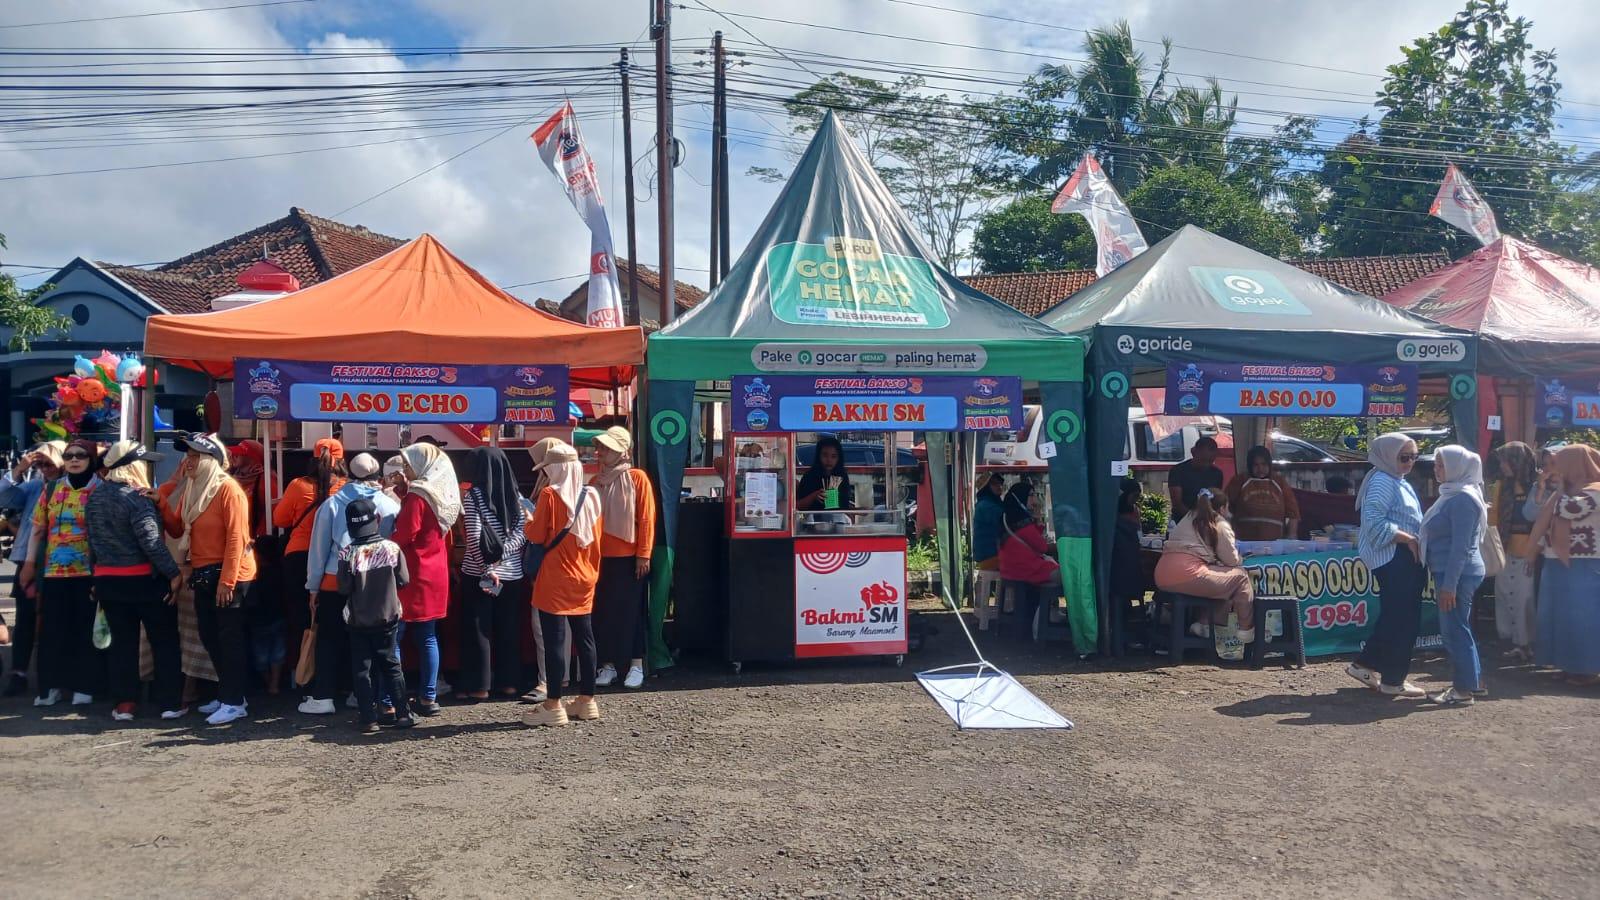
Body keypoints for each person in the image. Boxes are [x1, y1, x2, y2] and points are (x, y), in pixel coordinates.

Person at [159, 433, 258, 725]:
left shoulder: (228, 489)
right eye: (187, 456)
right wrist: (162, 504)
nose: (187, 462)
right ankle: (229, 693)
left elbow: (237, 538)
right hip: (204, 571)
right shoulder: (192, 488)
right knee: (210, 636)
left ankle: (234, 700)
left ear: (210, 460)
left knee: (229, 638)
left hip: (231, 573)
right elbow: (177, 530)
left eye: (193, 456)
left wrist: (227, 582)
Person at [85, 441, 185, 721]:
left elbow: (91, 541)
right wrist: (174, 573)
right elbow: (152, 542)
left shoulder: (94, 497)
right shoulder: (137, 498)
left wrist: (95, 573)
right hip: (144, 580)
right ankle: (169, 703)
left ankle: (125, 704)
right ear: (133, 466)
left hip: (108, 579)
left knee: (123, 644)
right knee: (164, 642)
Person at [299, 453, 399, 715]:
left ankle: (323, 696)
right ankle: (363, 695)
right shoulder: (389, 505)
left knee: (329, 639)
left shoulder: (332, 504)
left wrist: (313, 586)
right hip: (374, 583)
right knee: (371, 641)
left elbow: (318, 550)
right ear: (377, 475)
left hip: (334, 580)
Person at [522, 441, 603, 727]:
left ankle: (553, 703)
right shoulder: (591, 494)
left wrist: (527, 519)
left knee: (556, 640)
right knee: (585, 637)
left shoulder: (550, 495)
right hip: (585, 573)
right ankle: (587, 700)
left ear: (555, 468)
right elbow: (596, 537)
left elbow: (535, 535)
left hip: (556, 576)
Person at [19, 438, 102, 707]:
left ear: (91, 460)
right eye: (69, 456)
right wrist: (30, 564)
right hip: (53, 573)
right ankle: (50, 687)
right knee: (52, 631)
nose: (74, 460)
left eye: (81, 455)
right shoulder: (52, 488)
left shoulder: (100, 490)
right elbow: (38, 529)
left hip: (87, 573)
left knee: (83, 630)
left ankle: (84, 685)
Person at [1347, 434, 1427, 698]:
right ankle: (1393, 679)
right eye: (1404, 457)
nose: (1410, 462)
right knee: (1402, 620)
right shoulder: (1383, 481)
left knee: (1397, 617)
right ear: (1389, 456)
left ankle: (1366, 664)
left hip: (1400, 554)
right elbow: (1373, 523)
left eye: (1414, 457)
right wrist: (1408, 539)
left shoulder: (1396, 479)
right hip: (1394, 555)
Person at [388, 442, 461, 716]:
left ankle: (390, 698)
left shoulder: (418, 495)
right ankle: (429, 697)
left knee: (395, 636)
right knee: (428, 636)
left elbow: (405, 533)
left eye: (407, 465)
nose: (405, 470)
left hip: (412, 572)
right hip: (435, 570)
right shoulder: (441, 492)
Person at [455, 447, 530, 703]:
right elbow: (523, 534)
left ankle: (480, 686)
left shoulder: (473, 495)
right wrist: (504, 555)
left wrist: (489, 568)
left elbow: (474, 536)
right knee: (509, 628)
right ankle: (509, 683)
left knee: (478, 630)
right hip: (513, 574)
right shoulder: (516, 495)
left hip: (479, 573)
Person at [338, 497, 416, 734]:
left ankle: (368, 718)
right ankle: (402, 714)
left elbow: (343, 588)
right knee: (391, 665)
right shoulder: (391, 548)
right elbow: (404, 580)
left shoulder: (347, 553)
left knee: (362, 669)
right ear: (377, 520)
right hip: (388, 617)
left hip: (358, 620)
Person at [272, 438, 345, 690]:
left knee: (299, 619)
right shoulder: (346, 489)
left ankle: (300, 677)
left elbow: (279, 519)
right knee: (333, 620)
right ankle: (334, 679)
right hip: (333, 560)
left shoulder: (297, 485)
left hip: (299, 556)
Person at [590, 426, 656, 690]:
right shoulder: (595, 481)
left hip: (629, 557)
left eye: (606, 448)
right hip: (598, 557)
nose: (601, 452)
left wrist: (643, 554)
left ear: (621, 450)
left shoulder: (637, 478)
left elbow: (646, 518)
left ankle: (636, 664)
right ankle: (608, 665)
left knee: (631, 612)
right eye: (601, 447)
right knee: (602, 613)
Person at [1527, 444, 1600, 687]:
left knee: (1582, 617)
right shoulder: (1565, 492)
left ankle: (1587, 669)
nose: (1555, 469)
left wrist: (1557, 491)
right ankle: (1568, 665)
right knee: (1559, 615)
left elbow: (1569, 510)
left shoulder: (1594, 491)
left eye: (1560, 464)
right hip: (1558, 561)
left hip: (1585, 565)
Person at [1420, 445, 1488, 706]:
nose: (1436, 470)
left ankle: (1463, 690)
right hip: (1454, 572)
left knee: (1454, 631)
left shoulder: (1462, 499)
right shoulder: (1453, 494)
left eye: (1441, 464)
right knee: (1459, 628)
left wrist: (1449, 585)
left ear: (1457, 467)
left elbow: (1460, 547)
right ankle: (1473, 682)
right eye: (1436, 464)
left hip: (1457, 574)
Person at [0, 441, 63, 697]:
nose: (45, 469)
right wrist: (21, 468)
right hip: (28, 561)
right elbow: (4, 495)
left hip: (61, 562)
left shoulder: (73, 488)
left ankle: (54, 676)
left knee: (55, 621)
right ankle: (19, 672)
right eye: (41, 464)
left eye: (49, 463)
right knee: (25, 619)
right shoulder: (35, 486)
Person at [1154, 488, 1255, 644]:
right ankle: (1247, 633)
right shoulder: (1219, 523)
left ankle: (1204, 623)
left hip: (1162, 574)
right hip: (1187, 575)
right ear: (1223, 508)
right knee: (1240, 577)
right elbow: (1232, 560)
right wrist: (1240, 558)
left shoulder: (1187, 518)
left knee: (1222, 582)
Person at [1486, 441, 1539, 661]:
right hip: (1505, 549)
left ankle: (1525, 643)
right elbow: (1494, 518)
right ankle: (1510, 641)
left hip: (1530, 552)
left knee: (1524, 599)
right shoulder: (1502, 486)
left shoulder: (1536, 485)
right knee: (1504, 594)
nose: (1503, 466)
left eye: (1506, 461)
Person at [998, 481, 1060, 637]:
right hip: (1028, 569)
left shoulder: (1009, 519)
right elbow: (1043, 547)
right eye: (1031, 495)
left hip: (1011, 569)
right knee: (1070, 577)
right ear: (1021, 498)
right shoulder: (1023, 524)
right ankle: (1048, 622)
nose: (1034, 500)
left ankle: (1045, 617)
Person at [1226, 445, 1301, 541]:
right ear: (1250, 466)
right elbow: (1225, 507)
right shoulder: (1240, 480)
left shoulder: (1279, 482)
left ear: (1269, 464)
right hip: (1244, 542)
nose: (1260, 469)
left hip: (1274, 543)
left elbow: (1293, 513)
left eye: (1264, 464)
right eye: (1256, 465)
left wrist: (1292, 536)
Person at [1167, 436, 1225, 521]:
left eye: (1210, 461)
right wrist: (1194, 519)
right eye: (1203, 460)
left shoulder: (1217, 474)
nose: (1206, 464)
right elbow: (1177, 503)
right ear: (1194, 452)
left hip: (1207, 521)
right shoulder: (1178, 471)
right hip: (1182, 520)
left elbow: (1216, 500)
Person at [797, 435, 854, 512]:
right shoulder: (809, 476)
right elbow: (797, 506)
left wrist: (857, 510)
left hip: (838, 521)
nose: (829, 460)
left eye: (833, 456)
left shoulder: (842, 476)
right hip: (814, 521)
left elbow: (844, 507)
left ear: (839, 458)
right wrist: (814, 495)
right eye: (825, 455)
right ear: (818, 456)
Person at [971, 472, 1006, 571]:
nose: (999, 486)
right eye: (994, 483)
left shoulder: (995, 502)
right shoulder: (985, 505)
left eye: (1000, 483)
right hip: (990, 556)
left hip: (994, 554)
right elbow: (1004, 519)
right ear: (986, 487)